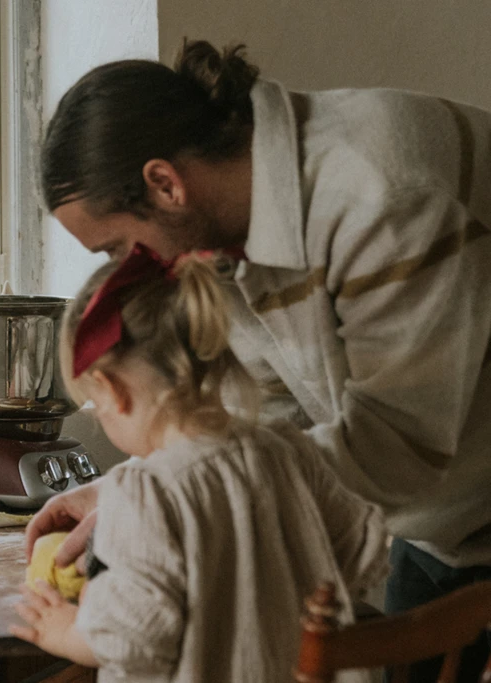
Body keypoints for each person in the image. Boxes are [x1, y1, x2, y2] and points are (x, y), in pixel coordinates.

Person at [28, 39, 491, 681]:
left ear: (165, 184)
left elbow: (398, 446)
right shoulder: (225, 230)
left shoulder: (380, 196)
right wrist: (142, 484)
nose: (126, 270)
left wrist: (174, 496)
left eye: (115, 248)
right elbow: (268, 413)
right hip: (444, 520)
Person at [11, 245, 387, 681]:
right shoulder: (287, 449)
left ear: (111, 391)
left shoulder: (143, 493)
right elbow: (361, 553)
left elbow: (134, 642)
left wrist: (70, 630)